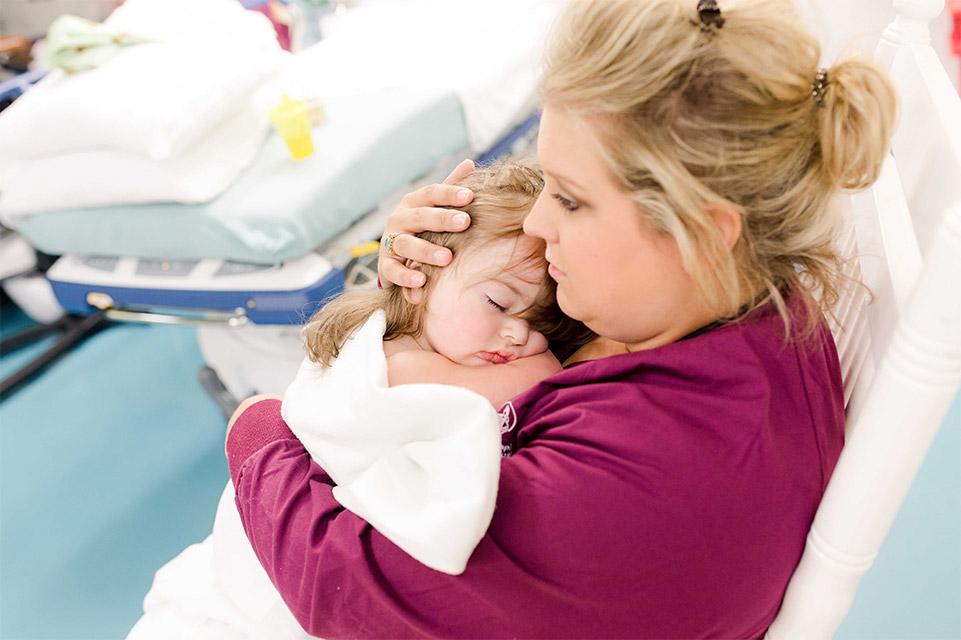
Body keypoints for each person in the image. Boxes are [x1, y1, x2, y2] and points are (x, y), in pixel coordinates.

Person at [225, 0, 898, 637]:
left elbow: (337, 580)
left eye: (571, 201)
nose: (539, 222)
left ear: (698, 231)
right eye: (546, 180)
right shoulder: (739, 301)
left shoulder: (638, 482)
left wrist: (256, 422)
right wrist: (438, 287)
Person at [129, 160, 589, 640]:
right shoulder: (398, 365)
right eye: (498, 303)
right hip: (282, 574)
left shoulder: (444, 341)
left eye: (543, 325)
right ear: (419, 277)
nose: (519, 333)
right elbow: (541, 380)